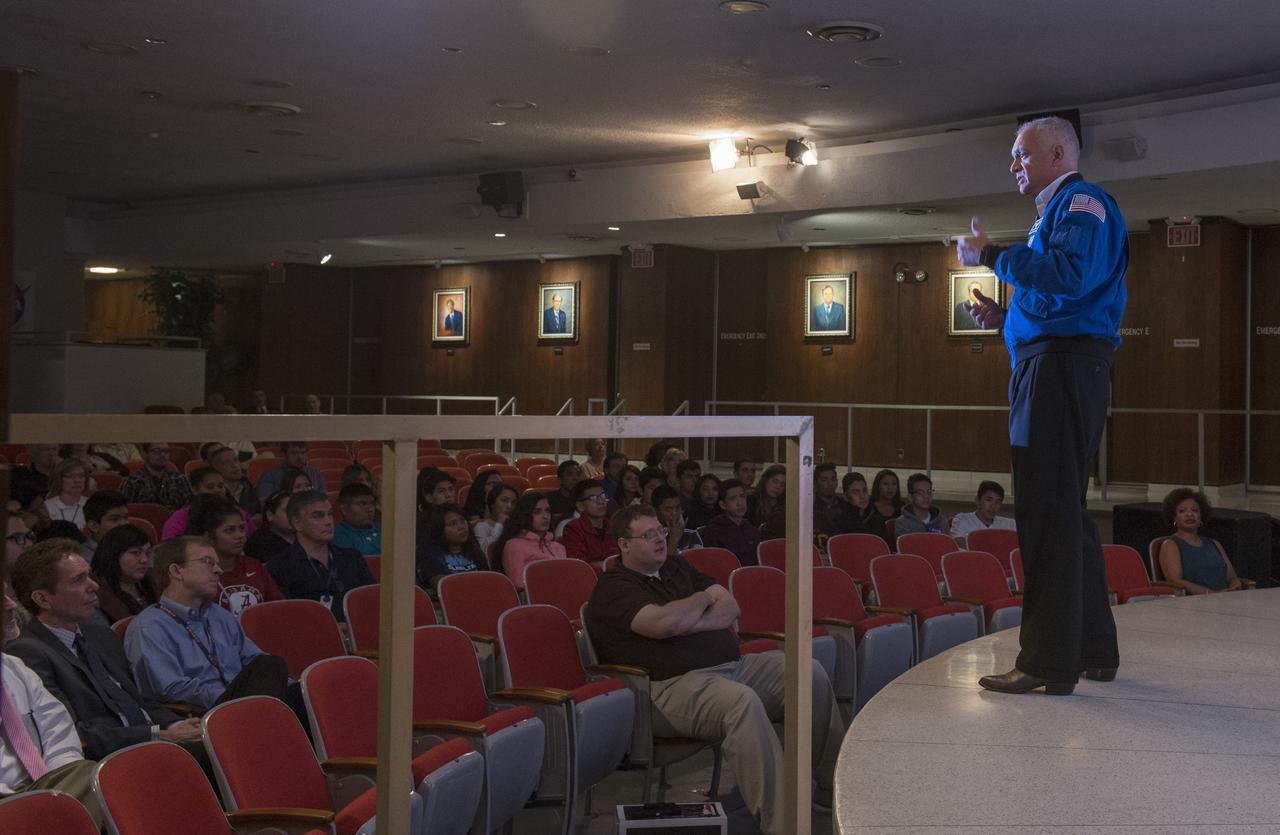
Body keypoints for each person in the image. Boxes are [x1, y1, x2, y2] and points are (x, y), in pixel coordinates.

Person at [957, 115, 1127, 696]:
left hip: (1058, 371)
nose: (1014, 165)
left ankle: (1045, 662)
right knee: (1067, 515)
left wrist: (990, 255)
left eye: (1022, 154)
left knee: (1045, 516)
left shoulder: (1082, 202)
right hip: (1055, 362)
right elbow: (1059, 297)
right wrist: (1008, 318)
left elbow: (1068, 276)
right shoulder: (1057, 211)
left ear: (1058, 153)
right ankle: (1092, 649)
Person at [584, 504, 844, 835]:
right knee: (741, 703)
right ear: (623, 544)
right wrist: (700, 601)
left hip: (732, 666)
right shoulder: (614, 587)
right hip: (669, 688)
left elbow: (730, 607)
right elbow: (663, 624)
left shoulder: (677, 567)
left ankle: (830, 785)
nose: (660, 540)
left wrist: (685, 620)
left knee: (808, 673)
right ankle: (785, 824)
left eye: (661, 532)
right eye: (648, 535)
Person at [7, 540, 204, 763]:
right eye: (78, 580)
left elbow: (138, 701)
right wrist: (161, 735)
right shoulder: (27, 653)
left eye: (89, 575)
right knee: (224, 753)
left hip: (154, 741)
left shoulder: (98, 634)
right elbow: (72, 733)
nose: (94, 586)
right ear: (43, 599)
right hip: (112, 760)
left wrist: (177, 724)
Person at [124, 536, 293, 710]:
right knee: (271, 666)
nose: (219, 570)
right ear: (177, 571)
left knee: (303, 689)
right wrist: (235, 694)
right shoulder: (150, 625)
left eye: (217, 564)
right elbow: (169, 688)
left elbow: (253, 659)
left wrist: (296, 688)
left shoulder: (219, 616)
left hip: (243, 700)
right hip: (204, 713)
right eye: (208, 562)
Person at [0, 572, 104, 826]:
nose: (12, 604)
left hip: (46, 786)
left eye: (7, 595)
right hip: (6, 799)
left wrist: (55, 789)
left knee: (103, 777)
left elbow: (59, 734)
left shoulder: (15, 668)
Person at [266, 491, 374, 621]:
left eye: (330, 514)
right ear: (297, 523)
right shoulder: (279, 567)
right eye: (318, 516)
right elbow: (287, 618)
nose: (328, 522)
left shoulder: (352, 558)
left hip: (357, 632)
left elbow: (370, 602)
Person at [187, 496, 283, 616]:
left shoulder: (253, 566)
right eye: (229, 530)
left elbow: (278, 609)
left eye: (241, 529)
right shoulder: (197, 573)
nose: (239, 536)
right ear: (208, 537)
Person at [1157, 488, 1245, 595]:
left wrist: (1235, 583)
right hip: (1193, 604)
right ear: (1174, 517)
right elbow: (1175, 581)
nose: (1189, 514)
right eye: (1182, 511)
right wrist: (1212, 594)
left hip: (1226, 598)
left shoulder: (1214, 544)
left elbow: (1231, 577)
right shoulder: (1170, 545)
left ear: (1201, 516)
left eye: (1195, 510)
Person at [161, 466, 256, 542]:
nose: (217, 490)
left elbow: (253, 538)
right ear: (195, 490)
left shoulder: (237, 512)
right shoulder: (181, 516)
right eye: (210, 487)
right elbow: (170, 546)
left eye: (221, 486)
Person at [494, 493, 566, 591]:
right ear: (525, 515)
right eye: (537, 512)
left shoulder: (559, 547)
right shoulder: (514, 545)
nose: (545, 516)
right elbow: (518, 584)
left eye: (548, 511)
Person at [90, 524, 158, 624]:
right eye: (135, 553)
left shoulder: (152, 584)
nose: (144, 560)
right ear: (113, 555)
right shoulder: (96, 593)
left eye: (147, 553)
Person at [416, 504, 490, 591]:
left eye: (463, 521)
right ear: (440, 529)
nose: (461, 527)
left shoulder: (473, 548)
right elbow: (443, 586)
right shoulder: (429, 553)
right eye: (453, 523)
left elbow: (488, 580)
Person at [558, 480, 618, 573]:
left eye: (602, 496)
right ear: (580, 506)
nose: (601, 502)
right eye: (593, 498)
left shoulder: (612, 525)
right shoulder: (573, 528)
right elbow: (579, 565)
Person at [698, 479, 761, 566]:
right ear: (723, 505)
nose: (740, 503)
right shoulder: (713, 531)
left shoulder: (752, 530)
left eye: (742, 496)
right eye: (733, 498)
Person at [119, 443, 193, 511]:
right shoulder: (131, 481)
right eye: (156, 451)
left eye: (166, 451)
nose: (163, 454)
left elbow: (191, 508)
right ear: (144, 454)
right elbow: (124, 513)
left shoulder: (179, 479)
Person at [255, 442, 327, 500]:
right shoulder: (269, 476)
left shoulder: (316, 474)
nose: (300, 457)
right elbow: (267, 505)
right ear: (284, 454)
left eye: (303, 453)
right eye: (294, 453)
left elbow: (323, 501)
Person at [950, 481, 1017, 542]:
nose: (993, 506)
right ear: (977, 500)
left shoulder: (1010, 524)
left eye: (997, 502)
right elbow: (961, 543)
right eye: (988, 500)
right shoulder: (962, 519)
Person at [813, 464, 864, 538]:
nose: (830, 484)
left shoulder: (847, 508)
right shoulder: (811, 507)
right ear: (815, 483)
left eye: (833, 479)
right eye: (824, 480)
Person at [243, 491, 295, 564]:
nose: (293, 515)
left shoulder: (306, 537)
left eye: (296, 510)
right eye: (287, 510)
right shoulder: (258, 543)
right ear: (270, 515)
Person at [79, 490, 131, 562]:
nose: (124, 524)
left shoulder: (139, 548)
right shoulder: (81, 559)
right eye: (115, 519)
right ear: (94, 526)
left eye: (125, 517)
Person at [210, 444, 260, 518]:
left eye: (236, 460)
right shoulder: (215, 493)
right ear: (216, 469)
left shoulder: (246, 484)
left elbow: (258, 511)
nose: (234, 465)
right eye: (226, 462)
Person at [652, 485, 702, 554]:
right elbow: (665, 564)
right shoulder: (650, 537)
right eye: (668, 509)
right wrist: (674, 539)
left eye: (677, 507)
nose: (674, 513)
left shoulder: (691, 535)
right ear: (655, 511)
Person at [333, 483, 381, 555]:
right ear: (344, 509)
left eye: (372, 503)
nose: (370, 509)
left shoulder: (384, 529)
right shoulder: (339, 535)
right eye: (362, 504)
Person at [474, 483, 517, 560]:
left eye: (513, 502)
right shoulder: (481, 526)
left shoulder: (517, 526)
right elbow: (485, 551)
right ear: (492, 503)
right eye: (504, 500)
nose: (509, 506)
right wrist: (499, 524)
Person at [43, 459, 90, 529]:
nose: (77, 480)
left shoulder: (91, 504)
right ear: (59, 479)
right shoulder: (46, 506)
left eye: (81, 476)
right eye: (71, 476)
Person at [863, 469, 902, 546]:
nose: (890, 488)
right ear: (878, 486)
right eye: (885, 484)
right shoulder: (868, 508)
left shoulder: (902, 509)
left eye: (894, 484)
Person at [547, 460, 583, 526]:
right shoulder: (549, 499)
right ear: (560, 480)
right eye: (570, 474)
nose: (575, 478)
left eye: (578, 474)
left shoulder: (584, 499)